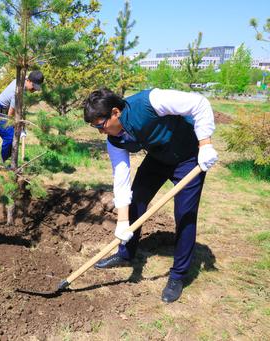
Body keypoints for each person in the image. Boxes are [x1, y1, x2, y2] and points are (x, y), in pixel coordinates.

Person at [83, 88, 218, 303]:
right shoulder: (114, 140)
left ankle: (178, 276)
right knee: (136, 200)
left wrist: (205, 145)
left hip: (189, 157)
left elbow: (199, 103)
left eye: (101, 125)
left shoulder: (150, 101)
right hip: (157, 158)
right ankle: (125, 254)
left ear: (115, 112)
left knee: (185, 214)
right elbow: (121, 177)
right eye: (95, 127)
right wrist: (122, 221)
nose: (100, 132)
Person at [0, 70, 44, 163]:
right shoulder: (17, 91)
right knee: (10, 137)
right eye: (34, 86)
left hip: (4, 108)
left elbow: (18, 108)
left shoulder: (23, 80)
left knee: (13, 136)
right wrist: (17, 126)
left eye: (37, 88)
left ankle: (10, 162)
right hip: (0, 112)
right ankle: (4, 162)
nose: (35, 90)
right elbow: (10, 115)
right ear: (28, 81)